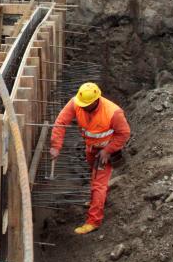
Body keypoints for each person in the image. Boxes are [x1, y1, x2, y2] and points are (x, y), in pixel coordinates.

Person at [49, 82, 130, 235]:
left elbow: (124, 134)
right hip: (90, 148)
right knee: (94, 177)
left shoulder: (113, 112)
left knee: (99, 184)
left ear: (95, 101)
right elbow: (61, 122)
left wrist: (107, 150)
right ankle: (95, 202)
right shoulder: (76, 103)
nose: (82, 107)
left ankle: (94, 221)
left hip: (105, 152)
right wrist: (55, 146)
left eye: (86, 105)